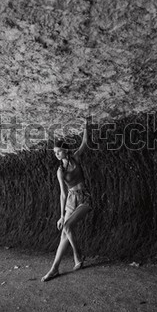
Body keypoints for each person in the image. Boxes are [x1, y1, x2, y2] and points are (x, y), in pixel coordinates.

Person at [41, 119, 92, 282]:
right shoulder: (59, 171)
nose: (56, 155)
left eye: (58, 152)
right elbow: (63, 194)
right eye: (55, 153)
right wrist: (61, 215)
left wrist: (86, 125)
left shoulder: (76, 158)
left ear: (65, 150)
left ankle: (78, 256)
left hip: (84, 198)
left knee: (68, 227)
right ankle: (54, 268)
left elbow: (85, 142)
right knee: (64, 231)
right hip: (70, 199)